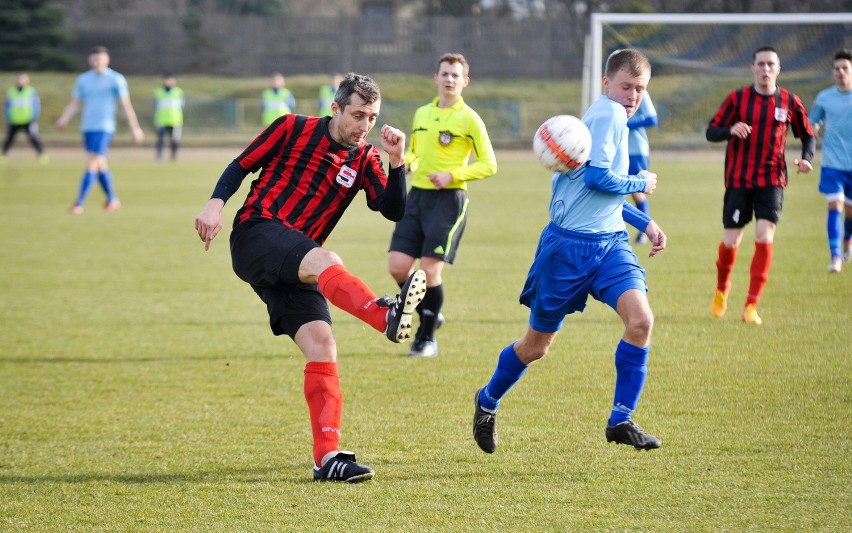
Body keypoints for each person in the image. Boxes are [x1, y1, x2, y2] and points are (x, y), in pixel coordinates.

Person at [194, 73, 427, 483]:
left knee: (323, 345)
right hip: (256, 233)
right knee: (325, 259)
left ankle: (327, 458)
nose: (365, 125)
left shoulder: (366, 159)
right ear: (335, 108)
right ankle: (382, 315)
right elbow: (240, 165)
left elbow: (392, 210)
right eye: (357, 115)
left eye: (372, 117)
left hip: (297, 264)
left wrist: (396, 163)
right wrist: (214, 206)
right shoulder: (291, 127)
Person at [472, 49, 666, 454]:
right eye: (626, 86)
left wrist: (641, 221)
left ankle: (621, 418)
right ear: (607, 84)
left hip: (610, 244)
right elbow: (598, 179)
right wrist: (640, 183)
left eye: (640, 89)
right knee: (536, 347)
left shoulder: (613, 118)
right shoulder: (609, 115)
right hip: (567, 250)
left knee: (640, 321)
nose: (632, 95)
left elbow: (594, 192)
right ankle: (487, 400)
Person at [387, 52, 497, 357]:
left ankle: (425, 339)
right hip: (417, 198)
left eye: (455, 75)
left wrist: (453, 175)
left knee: (428, 273)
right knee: (397, 267)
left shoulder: (470, 118)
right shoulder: (422, 113)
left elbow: (489, 164)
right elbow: (417, 153)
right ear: (436, 78)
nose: (449, 79)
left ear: (465, 81)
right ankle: (430, 313)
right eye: (445, 73)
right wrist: (407, 161)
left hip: (449, 201)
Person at [706, 45, 815, 324]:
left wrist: (806, 159)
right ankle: (722, 289)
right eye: (761, 64)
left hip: (772, 180)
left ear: (778, 69)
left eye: (771, 64)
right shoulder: (738, 99)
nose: (765, 69)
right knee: (731, 242)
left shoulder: (790, 101)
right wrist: (730, 129)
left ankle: (751, 306)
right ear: (752, 68)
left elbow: (807, 135)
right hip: (739, 180)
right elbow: (711, 131)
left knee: (765, 236)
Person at [56, 45, 144, 214]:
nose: (96, 62)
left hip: (104, 127)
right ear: (90, 60)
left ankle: (79, 202)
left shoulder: (115, 79)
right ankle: (112, 199)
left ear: (107, 60)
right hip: (87, 127)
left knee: (92, 160)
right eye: (94, 59)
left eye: (100, 58)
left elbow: (125, 105)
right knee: (100, 164)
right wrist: (64, 118)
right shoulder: (83, 79)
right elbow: (76, 103)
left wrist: (135, 128)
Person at [809, 48, 852, 273]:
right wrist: (813, 128)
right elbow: (813, 121)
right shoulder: (825, 97)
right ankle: (835, 257)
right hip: (832, 163)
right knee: (834, 205)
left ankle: (847, 240)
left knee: (850, 212)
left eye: (845, 68)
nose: (840, 72)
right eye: (836, 69)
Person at [627, 90, 658, 244]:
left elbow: (652, 119)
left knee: (637, 190)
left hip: (636, 150)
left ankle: (644, 230)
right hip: (617, 150)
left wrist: (627, 123)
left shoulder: (641, 94)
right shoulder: (613, 93)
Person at [2, 73, 47, 163]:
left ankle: (41, 155)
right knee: (9, 139)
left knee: (34, 138)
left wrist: (34, 117)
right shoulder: (11, 91)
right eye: (19, 79)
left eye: (23, 79)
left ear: (27, 81)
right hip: (14, 120)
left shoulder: (31, 91)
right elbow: (6, 106)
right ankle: (4, 155)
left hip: (28, 120)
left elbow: (36, 106)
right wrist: (7, 117)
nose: (20, 81)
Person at [153, 73, 185, 161]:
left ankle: (173, 156)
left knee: (175, 140)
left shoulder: (178, 92)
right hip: (162, 120)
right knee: (161, 140)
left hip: (175, 120)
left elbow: (182, 105)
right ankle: (159, 156)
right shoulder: (158, 92)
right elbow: (155, 105)